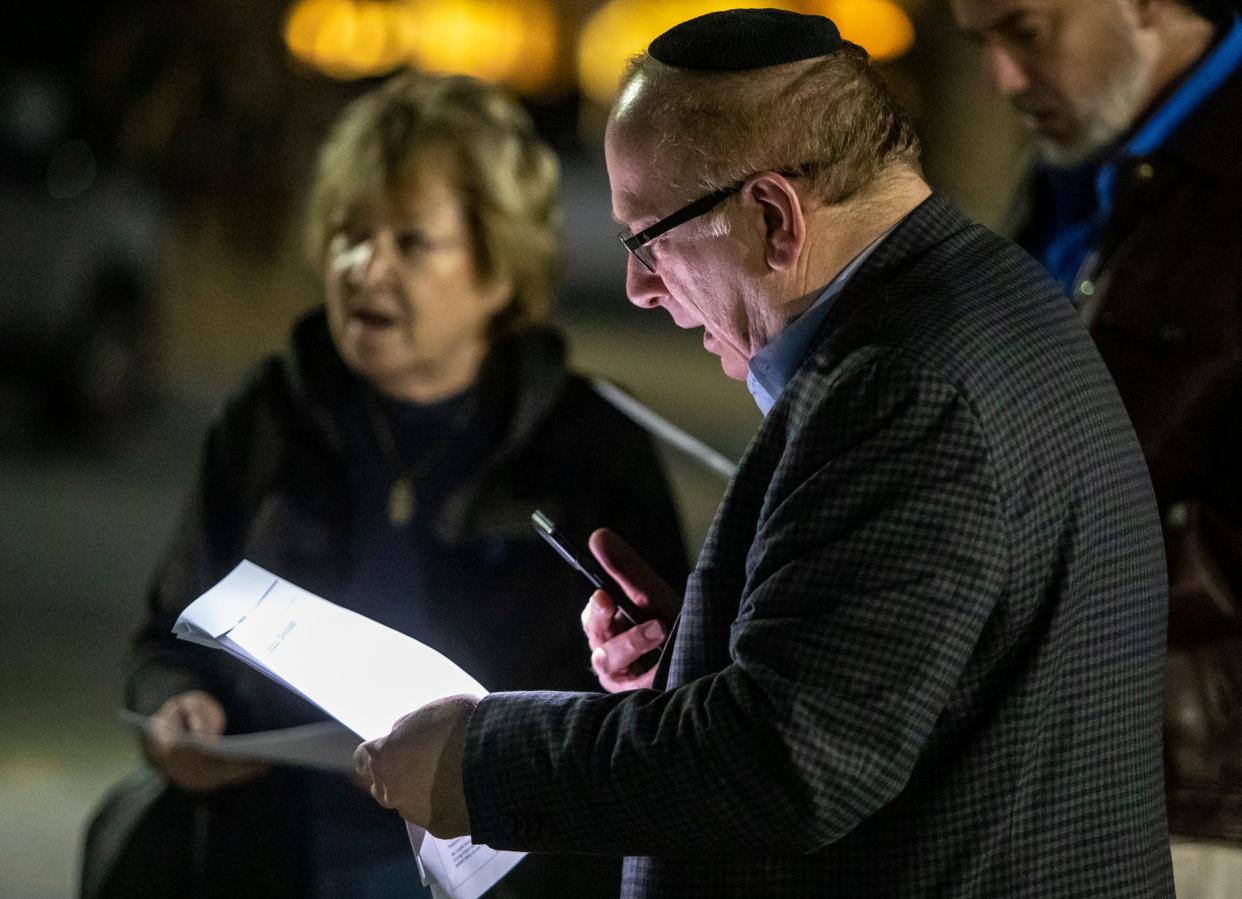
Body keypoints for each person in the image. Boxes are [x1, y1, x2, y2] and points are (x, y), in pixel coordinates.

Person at [352, 9, 1173, 897]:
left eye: (649, 239)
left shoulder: (898, 386)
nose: (638, 287)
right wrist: (707, 655)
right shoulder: (981, 296)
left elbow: (791, 761)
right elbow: (902, 682)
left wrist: (479, 762)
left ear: (774, 215)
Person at [92, 70, 689, 899]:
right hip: (279, 858)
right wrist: (177, 707)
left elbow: (667, 689)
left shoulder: (585, 446)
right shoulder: (269, 418)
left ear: (497, 268)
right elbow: (167, 634)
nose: (365, 269)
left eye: (411, 242)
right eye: (348, 234)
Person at [950, 0, 1242, 893]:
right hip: (1072, 775)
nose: (1002, 79)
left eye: (1025, 30)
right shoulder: (1086, 171)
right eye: (982, 43)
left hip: (1193, 797)